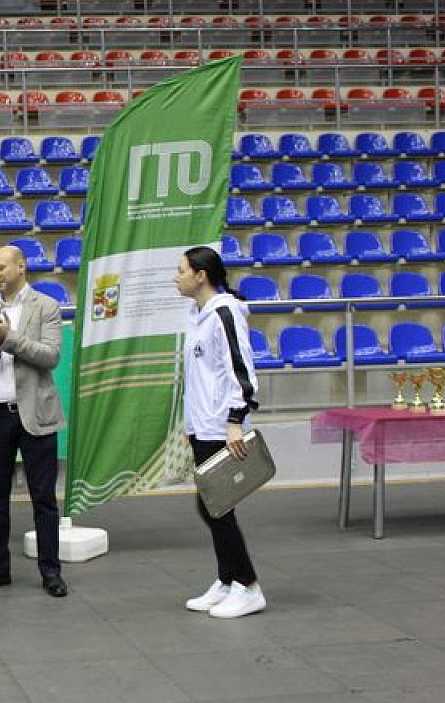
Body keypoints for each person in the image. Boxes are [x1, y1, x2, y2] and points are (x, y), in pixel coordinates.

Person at [0, 246, 68, 598]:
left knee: (44, 499)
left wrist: (9, 340)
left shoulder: (46, 307)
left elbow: (50, 356)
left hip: (36, 414)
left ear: (21, 267)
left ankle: (51, 571)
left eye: (0, 268)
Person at [174, 245, 265, 619]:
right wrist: (190, 425)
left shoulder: (225, 313)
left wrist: (235, 422)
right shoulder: (197, 316)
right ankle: (227, 581)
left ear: (201, 276)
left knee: (216, 507)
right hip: (204, 426)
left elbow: (240, 370)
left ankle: (248, 585)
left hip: (223, 426)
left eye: (182, 270)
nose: (176, 277)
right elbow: (198, 377)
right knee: (213, 506)